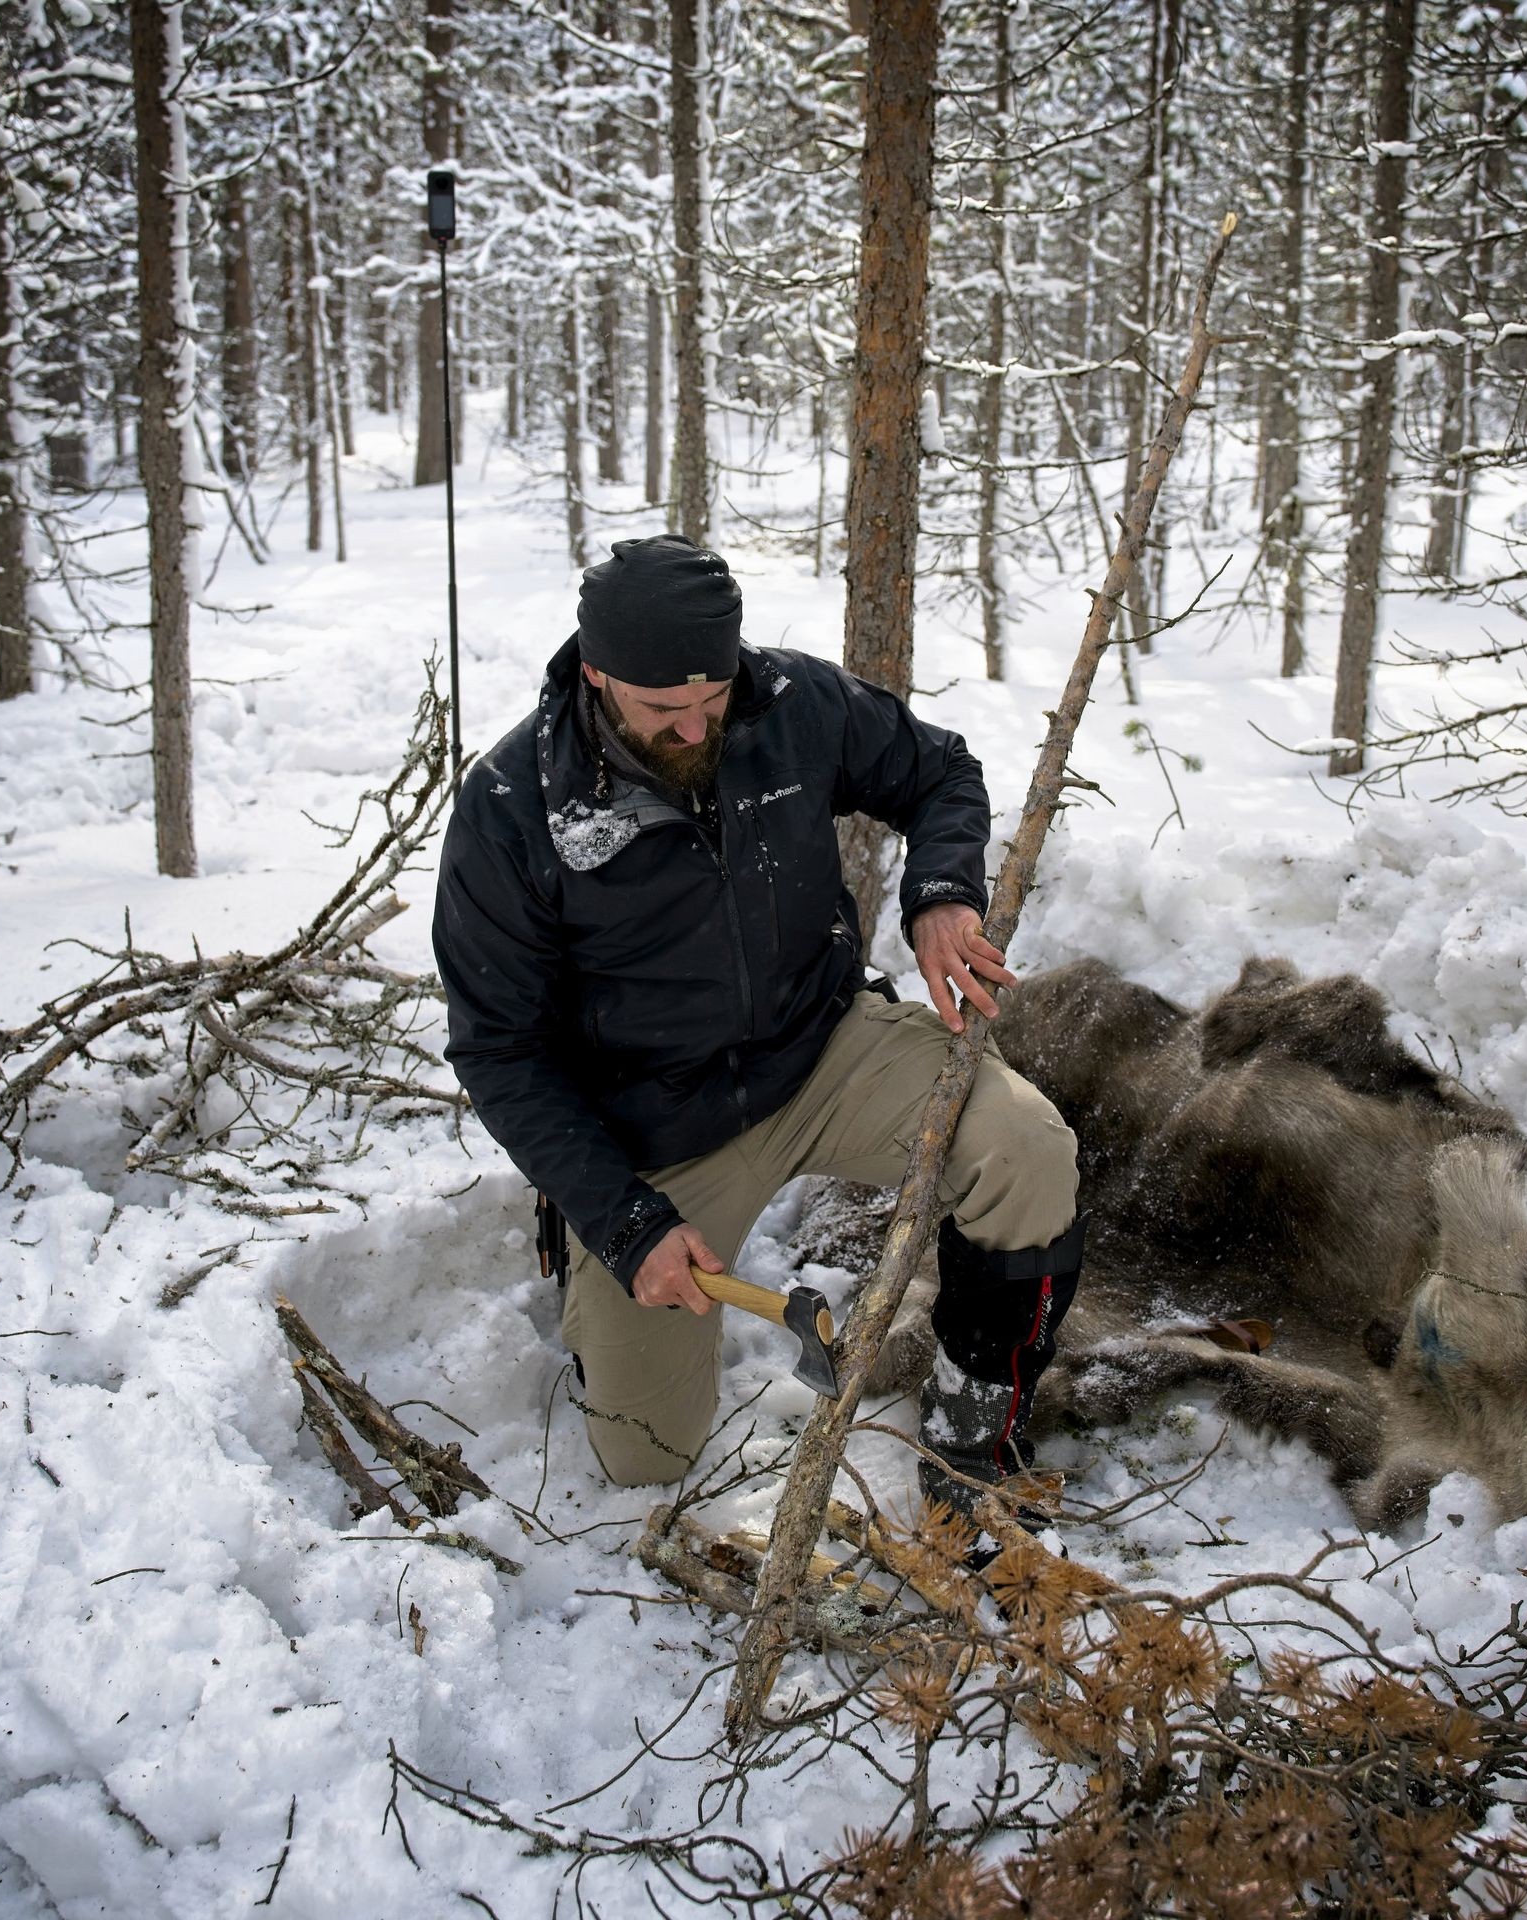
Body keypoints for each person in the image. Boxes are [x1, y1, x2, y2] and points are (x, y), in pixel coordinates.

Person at [433, 535, 1082, 1506]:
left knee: (1027, 1150)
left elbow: (939, 770)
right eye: (664, 711)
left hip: (818, 1047)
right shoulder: (512, 808)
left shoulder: (791, 703)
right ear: (598, 669)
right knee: (646, 1454)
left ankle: (973, 1433)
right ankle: (584, 1250)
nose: (697, 730)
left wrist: (942, 893)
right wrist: (621, 1217)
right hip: (651, 1128)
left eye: (714, 699)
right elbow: (500, 1051)